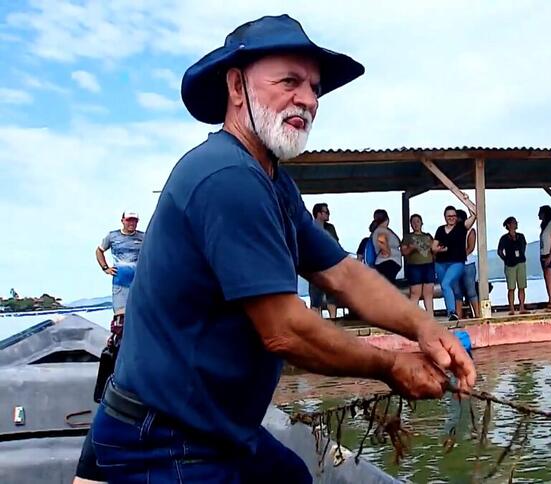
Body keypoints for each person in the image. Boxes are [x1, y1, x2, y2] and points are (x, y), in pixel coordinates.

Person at [85, 15, 475, 483]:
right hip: (162, 439)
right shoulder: (226, 178)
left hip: (213, 426)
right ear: (236, 86)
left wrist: (423, 327)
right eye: (289, 81)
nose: (308, 99)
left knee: (290, 475)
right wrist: (392, 366)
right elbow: (284, 332)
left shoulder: (272, 181)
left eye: (314, 87)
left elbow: (343, 274)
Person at [76, 212, 146, 483]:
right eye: (129, 220)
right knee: (121, 321)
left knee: (137, 318)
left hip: (140, 283)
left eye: (135, 221)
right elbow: (98, 249)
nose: (132, 224)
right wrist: (105, 267)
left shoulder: (143, 238)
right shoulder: (113, 237)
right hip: (120, 284)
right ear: (122, 221)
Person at [433, 202, 477, 321]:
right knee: (447, 288)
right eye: (449, 216)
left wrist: (466, 201)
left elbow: (475, 214)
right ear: (445, 217)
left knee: (445, 284)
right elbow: (433, 247)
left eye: (453, 216)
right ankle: (452, 313)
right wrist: (441, 249)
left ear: (456, 217)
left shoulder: (461, 228)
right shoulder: (440, 229)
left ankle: (452, 312)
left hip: (456, 262)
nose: (451, 218)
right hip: (441, 263)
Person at [401, 213, 435, 315]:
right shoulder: (407, 237)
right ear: (411, 224)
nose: (415, 224)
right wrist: (412, 248)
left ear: (421, 223)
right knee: (415, 293)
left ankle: (430, 316)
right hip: (414, 266)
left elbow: (434, 250)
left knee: (428, 294)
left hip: (428, 265)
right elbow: (403, 252)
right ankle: (412, 318)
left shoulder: (428, 236)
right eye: (413, 222)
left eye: (417, 221)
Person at [309, 203, 339, 317]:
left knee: (332, 296)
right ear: (318, 214)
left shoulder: (330, 228)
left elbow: (335, 243)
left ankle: (333, 321)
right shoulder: (309, 227)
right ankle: (316, 324)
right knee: (315, 298)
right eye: (326, 212)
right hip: (315, 267)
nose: (328, 214)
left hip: (329, 266)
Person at [497, 216, 527, 315]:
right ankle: (512, 308)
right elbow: (500, 251)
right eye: (513, 223)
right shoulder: (504, 238)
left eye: (515, 222)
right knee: (511, 288)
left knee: (521, 286)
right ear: (508, 225)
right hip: (510, 264)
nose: (515, 224)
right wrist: (506, 259)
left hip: (521, 262)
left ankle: (522, 307)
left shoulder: (521, 236)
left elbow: (524, 246)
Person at [455, 209, 479, 319]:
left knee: (471, 291)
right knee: (457, 292)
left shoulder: (470, 231)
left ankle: (478, 315)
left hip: (468, 264)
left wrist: (458, 255)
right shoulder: (451, 231)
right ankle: (458, 317)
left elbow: (471, 248)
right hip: (454, 265)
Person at [372, 209, 403, 283]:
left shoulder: (383, 230)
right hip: (388, 263)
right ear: (387, 219)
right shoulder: (382, 230)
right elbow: (382, 242)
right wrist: (387, 252)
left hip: (387, 263)